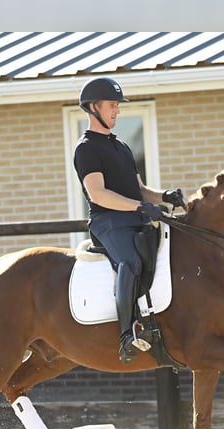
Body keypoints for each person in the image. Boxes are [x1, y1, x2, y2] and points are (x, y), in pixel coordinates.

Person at [73, 77, 185, 364]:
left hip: (132, 217)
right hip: (107, 222)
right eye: (112, 105)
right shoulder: (86, 148)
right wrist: (140, 207)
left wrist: (165, 196)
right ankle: (127, 335)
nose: (117, 111)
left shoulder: (121, 146)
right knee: (132, 261)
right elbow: (98, 194)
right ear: (93, 107)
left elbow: (141, 190)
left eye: (117, 106)